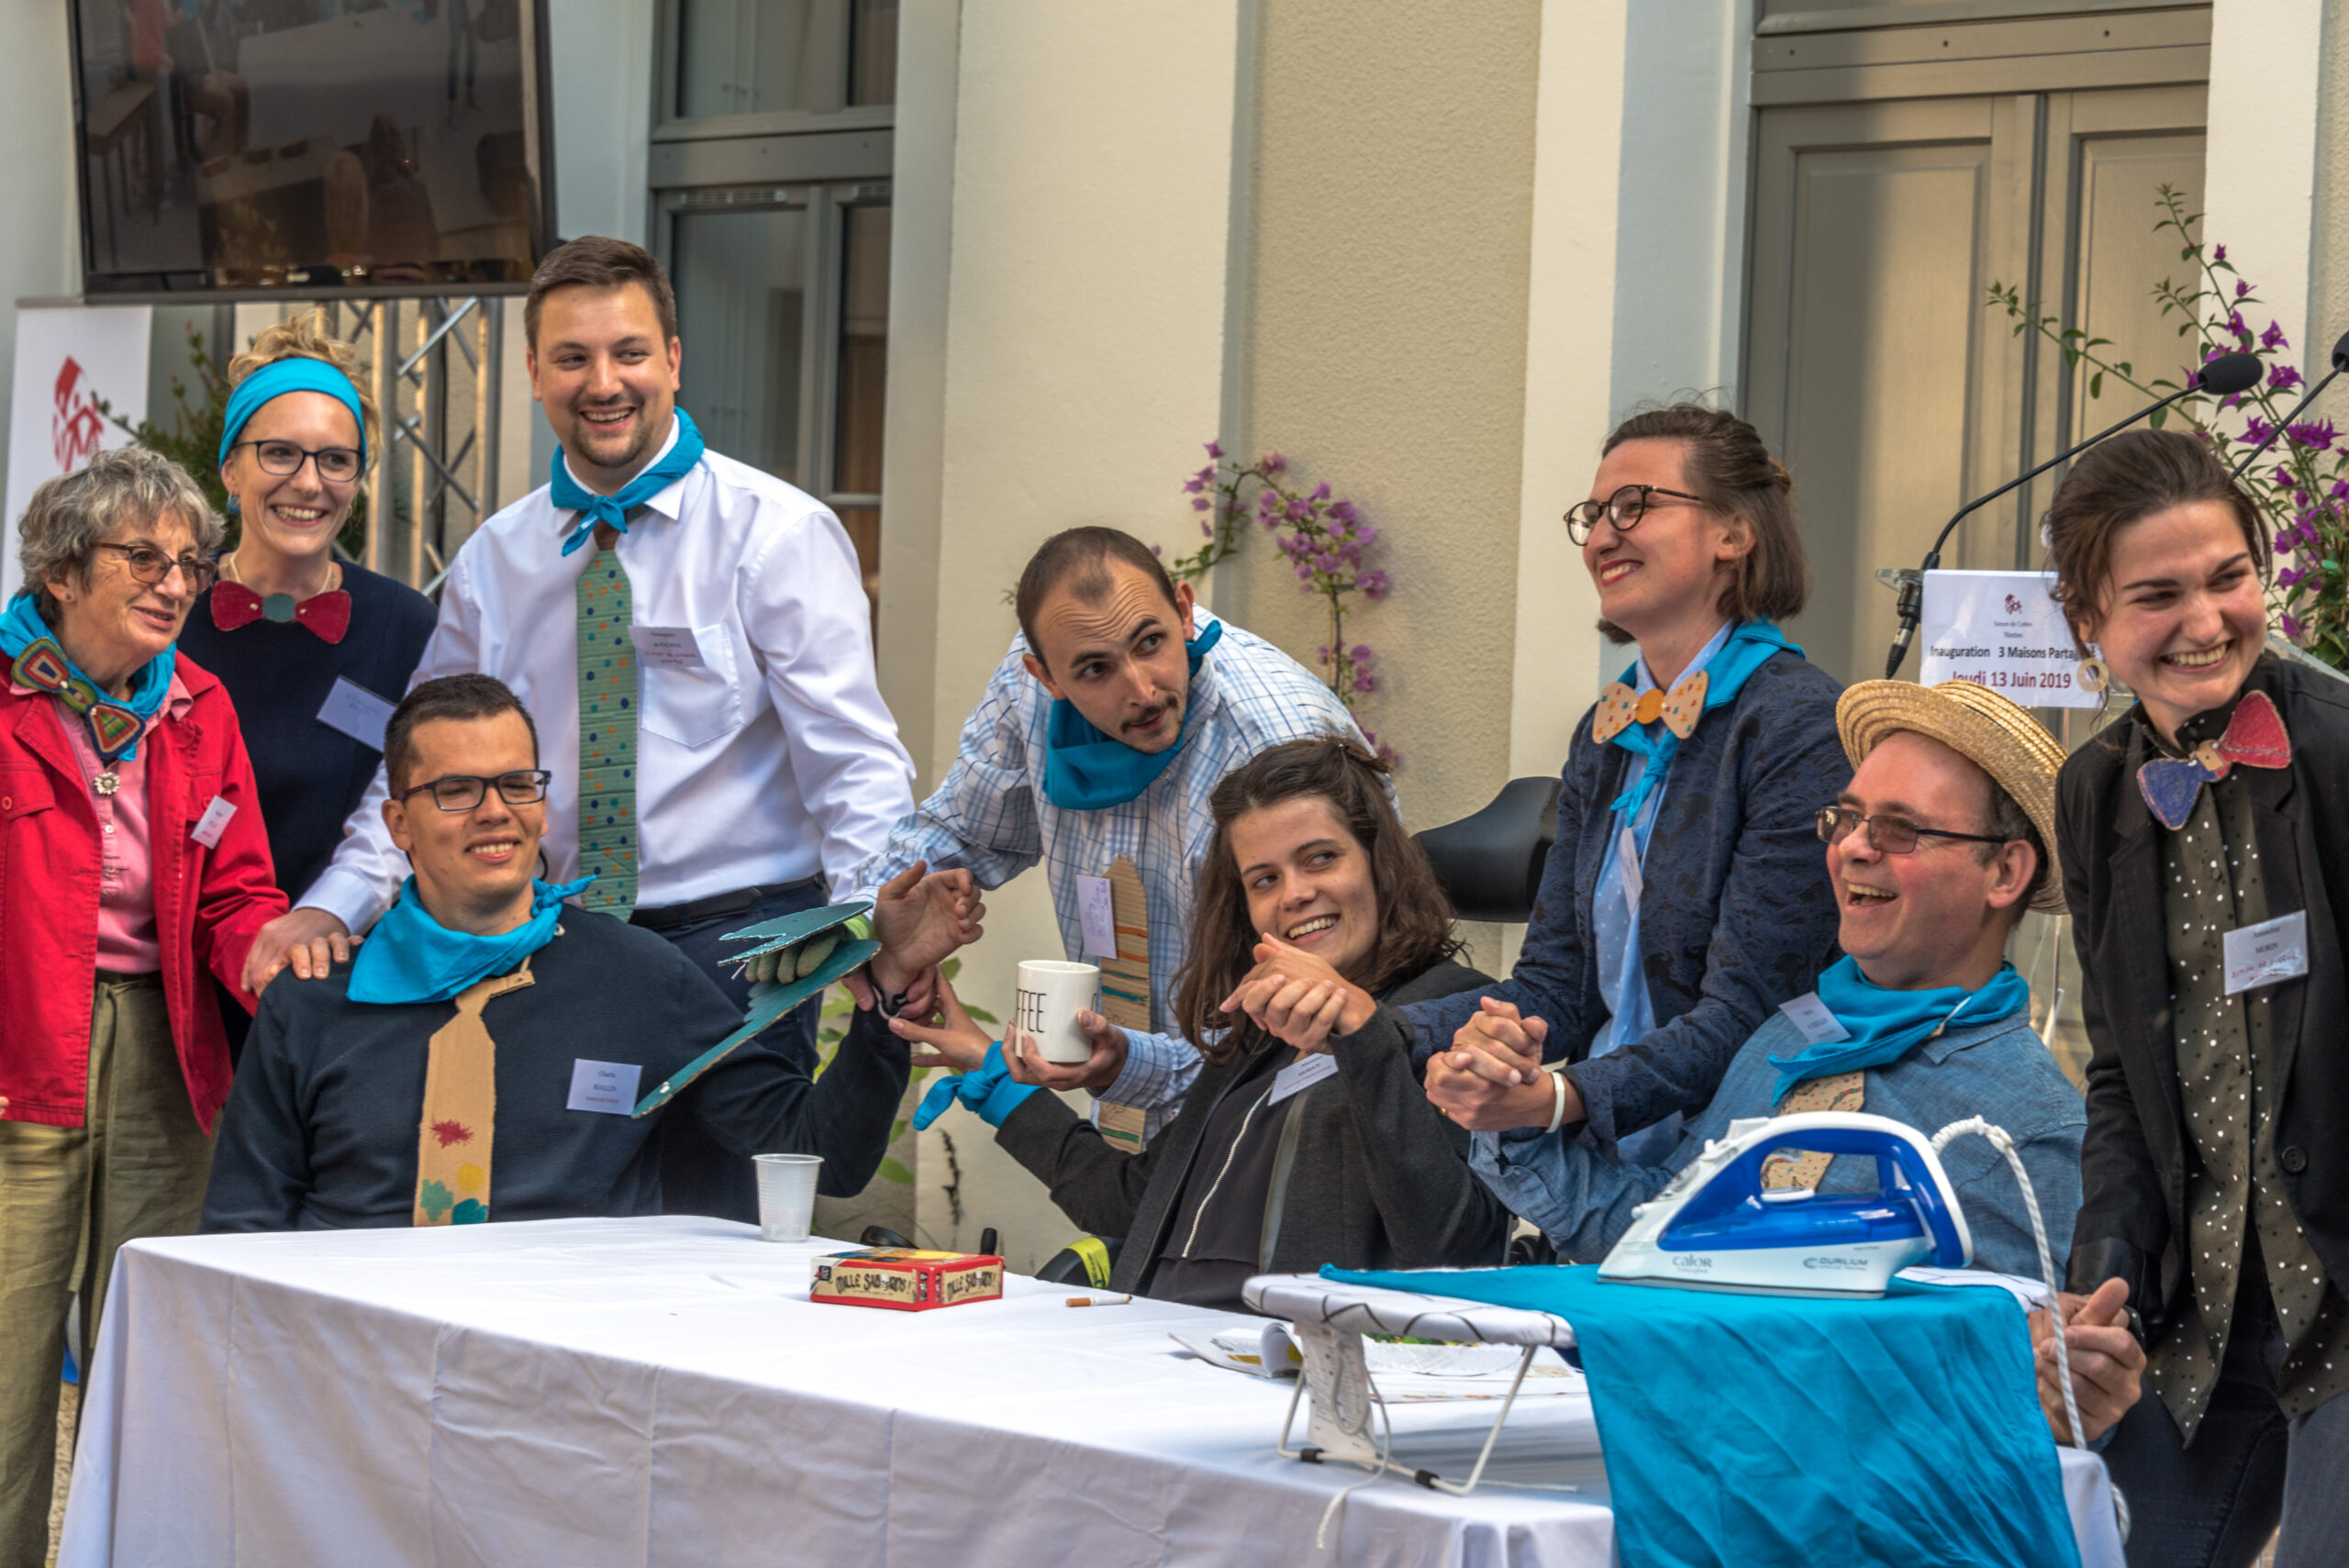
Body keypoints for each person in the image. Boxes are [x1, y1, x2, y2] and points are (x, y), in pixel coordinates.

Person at [240, 237, 918, 1223]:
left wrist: (868, 929)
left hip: (739, 949)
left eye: (629, 352)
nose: (603, 383)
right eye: (572, 358)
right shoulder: (495, 558)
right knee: (563, 1221)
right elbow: (422, 768)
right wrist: (334, 907)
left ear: (673, 360)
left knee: (716, 1231)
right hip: (565, 951)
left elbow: (854, 764)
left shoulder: (776, 533)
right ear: (532, 373)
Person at [1229, 405, 1847, 1164]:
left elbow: (1752, 1016)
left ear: (1734, 533)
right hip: (1617, 1160)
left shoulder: (1798, 723)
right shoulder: (1606, 733)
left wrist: (1560, 1095)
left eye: (1634, 505)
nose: (1602, 537)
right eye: (1594, 514)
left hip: (1749, 1165)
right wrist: (1366, 1022)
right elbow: (1556, 988)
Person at [1391, 679, 2086, 1284]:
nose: (1852, 847)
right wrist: (1520, 1115)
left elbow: (2022, 1374)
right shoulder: (1791, 1034)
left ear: (2005, 872)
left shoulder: (2028, 1126)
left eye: (1901, 829)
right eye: (1847, 819)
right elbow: (1654, 1236)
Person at [202, 675, 909, 1232]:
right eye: (456, 790)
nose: (495, 810)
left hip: (566, 1345)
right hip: (353, 1343)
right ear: (398, 824)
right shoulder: (313, 998)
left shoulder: (639, 978)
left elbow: (818, 1154)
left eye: (516, 783)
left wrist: (888, 995)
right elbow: (242, 1226)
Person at [896, 739, 1508, 1308]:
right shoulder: (1260, 1038)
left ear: (1378, 863)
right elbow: (1135, 1205)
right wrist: (1005, 1086)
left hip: (1293, 1362)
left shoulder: (1452, 1012)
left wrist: (1361, 1036)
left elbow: (1453, 1251)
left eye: (1320, 858)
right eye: (1264, 879)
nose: (1294, 894)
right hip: (1158, 1342)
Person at [2044, 428, 2349, 1568]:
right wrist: (2102, 1281)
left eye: (2228, 577)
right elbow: (2120, 1073)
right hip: (2206, 1310)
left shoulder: (2339, 753)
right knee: (2095, 1550)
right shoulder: (2093, 792)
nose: (2206, 620)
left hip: (2343, 1290)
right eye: (2156, 595)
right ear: (2086, 617)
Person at [848, 525, 1367, 1150]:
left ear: (1184, 611)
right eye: (1096, 669)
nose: (1141, 690)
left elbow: (1314, 1024)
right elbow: (960, 829)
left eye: (1150, 643)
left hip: (1267, 1130)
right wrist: (863, 928)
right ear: (1046, 675)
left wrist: (1124, 1066)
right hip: (1128, 1119)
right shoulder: (1028, 686)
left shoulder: (1276, 741)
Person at [0, 449, 286, 1566]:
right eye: (144, 558)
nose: (175, 583)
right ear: (64, 571)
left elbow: (236, 887)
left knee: (150, 1352)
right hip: (21, 1052)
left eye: (190, 562)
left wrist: (270, 950)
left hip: (167, 1052)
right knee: (10, 1354)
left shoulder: (199, 704)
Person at [175, 310, 436, 1056]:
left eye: (336, 460)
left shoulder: (406, 625)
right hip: (179, 998)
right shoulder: (166, 612)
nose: (309, 482)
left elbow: (414, 815)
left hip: (344, 995)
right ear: (231, 470)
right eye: (280, 453)